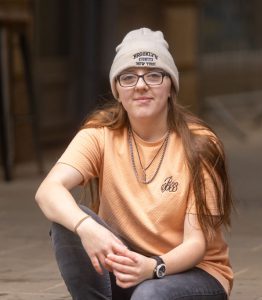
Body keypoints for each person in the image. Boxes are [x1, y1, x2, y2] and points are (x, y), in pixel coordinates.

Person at [35, 27, 234, 300]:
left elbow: (196, 245)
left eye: (153, 75)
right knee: (65, 223)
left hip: (191, 273)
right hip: (127, 270)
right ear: (117, 90)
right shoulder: (99, 134)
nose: (140, 85)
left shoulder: (200, 145)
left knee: (149, 295)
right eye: (128, 77)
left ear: (171, 87)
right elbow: (48, 191)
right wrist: (87, 227)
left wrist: (153, 267)